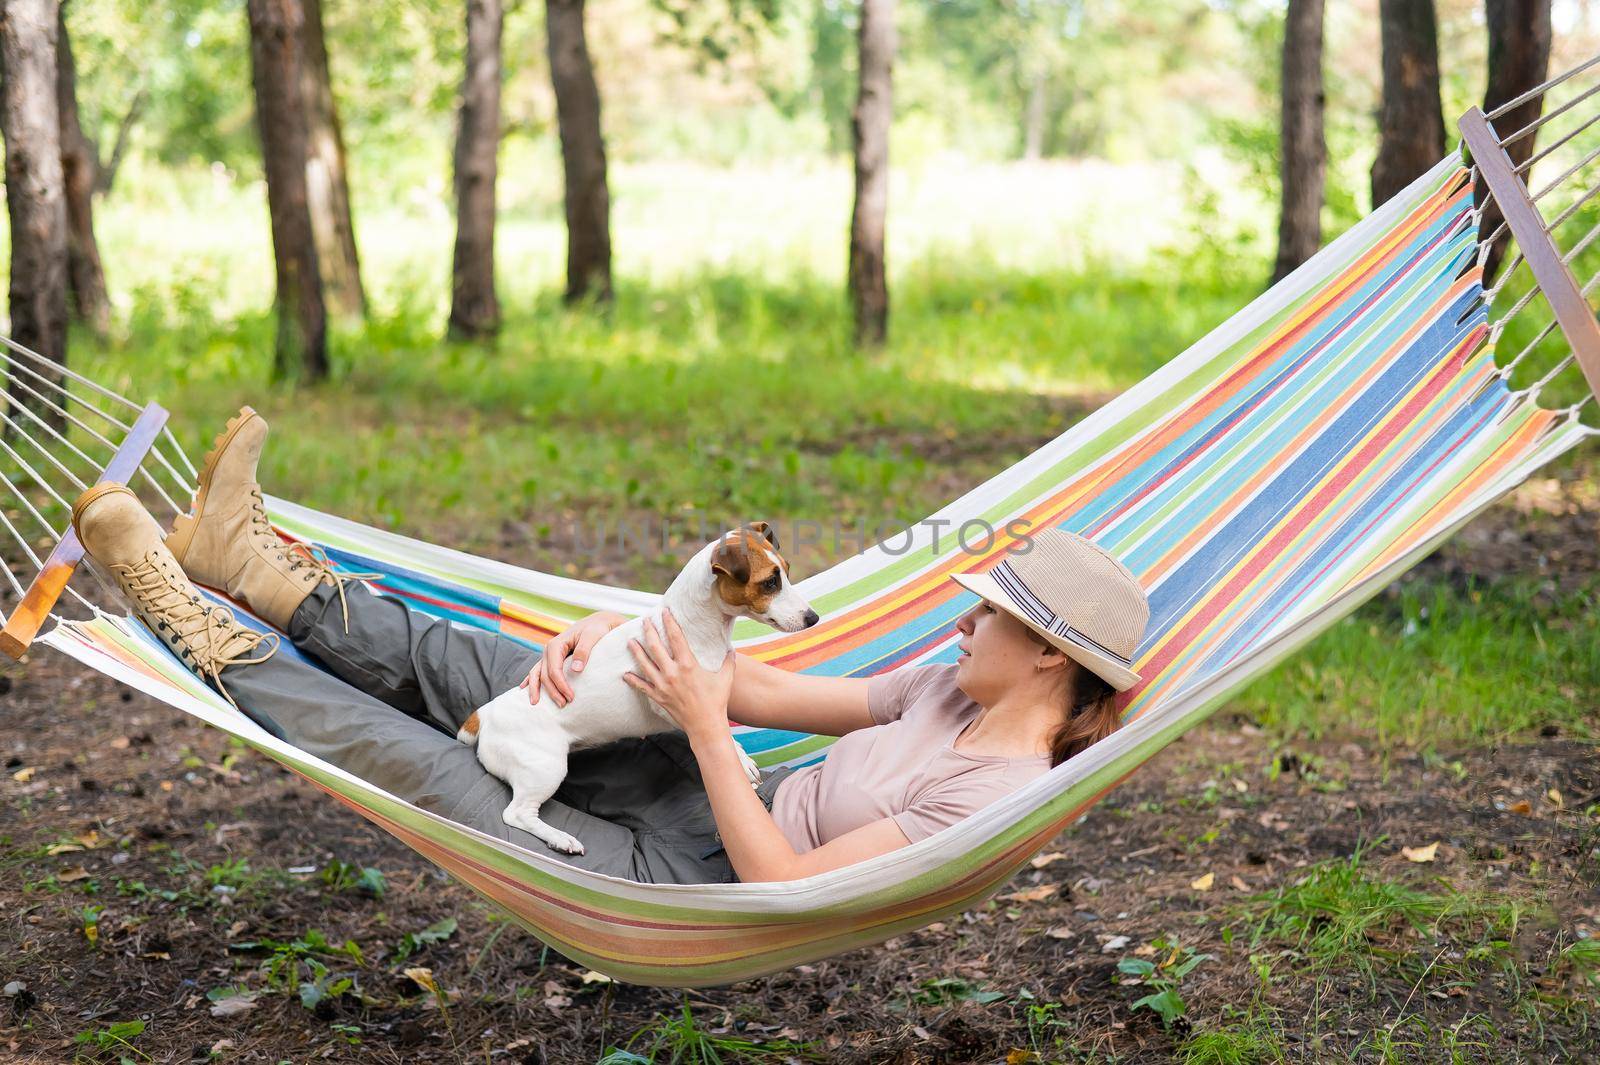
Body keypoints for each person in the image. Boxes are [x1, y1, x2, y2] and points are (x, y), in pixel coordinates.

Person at [70, 408, 1150, 885]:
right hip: (711, 793)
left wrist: (697, 720)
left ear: (1052, 656)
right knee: (511, 674)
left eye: (988, 614)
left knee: (438, 768)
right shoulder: (942, 691)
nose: (961, 622)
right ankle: (253, 569)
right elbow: (764, 693)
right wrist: (630, 640)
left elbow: (782, 881)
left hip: (695, 884)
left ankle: (196, 625)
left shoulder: (993, 792)